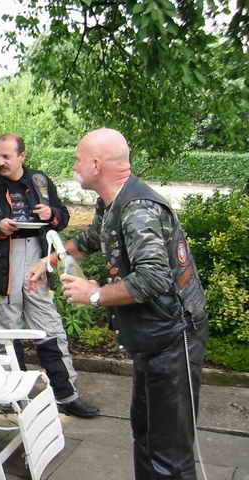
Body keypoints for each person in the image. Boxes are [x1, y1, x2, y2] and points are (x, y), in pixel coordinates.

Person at [28, 128, 209, 479]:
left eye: (78, 159)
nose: (74, 165)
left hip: (174, 341)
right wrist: (47, 261)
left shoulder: (138, 209)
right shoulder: (114, 202)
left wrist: (94, 294)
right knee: (145, 435)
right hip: (153, 338)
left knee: (169, 454)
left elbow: (154, 279)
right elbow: (92, 238)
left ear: (96, 165)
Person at [0, 133, 99, 418]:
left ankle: (66, 395)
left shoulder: (40, 181)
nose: (0, 162)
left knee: (49, 326)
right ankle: (11, 398)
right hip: (0, 268)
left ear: (21, 156)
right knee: (5, 330)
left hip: (38, 262)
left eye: (6, 156)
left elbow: (62, 217)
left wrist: (50, 213)